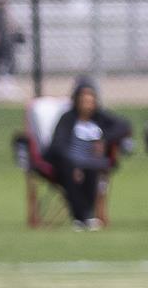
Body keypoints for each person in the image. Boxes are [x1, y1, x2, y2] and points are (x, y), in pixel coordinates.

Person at [46, 77, 131, 231]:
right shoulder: (68, 118)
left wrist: (104, 138)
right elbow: (58, 145)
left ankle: (86, 215)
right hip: (67, 163)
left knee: (92, 169)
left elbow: (124, 126)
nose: (87, 102)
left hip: (91, 162)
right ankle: (81, 217)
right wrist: (73, 163)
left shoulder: (100, 117)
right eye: (83, 98)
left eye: (90, 98)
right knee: (71, 174)